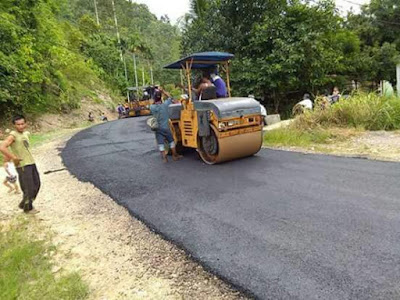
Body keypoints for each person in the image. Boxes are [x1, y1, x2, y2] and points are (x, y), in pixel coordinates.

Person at [0, 115, 41, 214]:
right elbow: (2, 147)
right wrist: (13, 158)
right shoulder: (13, 135)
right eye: (18, 124)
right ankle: (28, 208)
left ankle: (24, 203)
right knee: (29, 188)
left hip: (31, 162)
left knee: (37, 184)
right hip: (23, 165)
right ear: (14, 125)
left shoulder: (25, 134)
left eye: (22, 124)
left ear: (26, 124)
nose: (21, 126)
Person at [150, 88, 183, 163]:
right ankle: (175, 156)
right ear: (161, 98)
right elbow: (171, 98)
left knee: (161, 144)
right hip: (166, 127)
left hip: (157, 128)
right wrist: (163, 91)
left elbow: (152, 105)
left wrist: (155, 100)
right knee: (171, 141)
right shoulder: (165, 105)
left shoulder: (152, 107)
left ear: (154, 99)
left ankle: (164, 159)